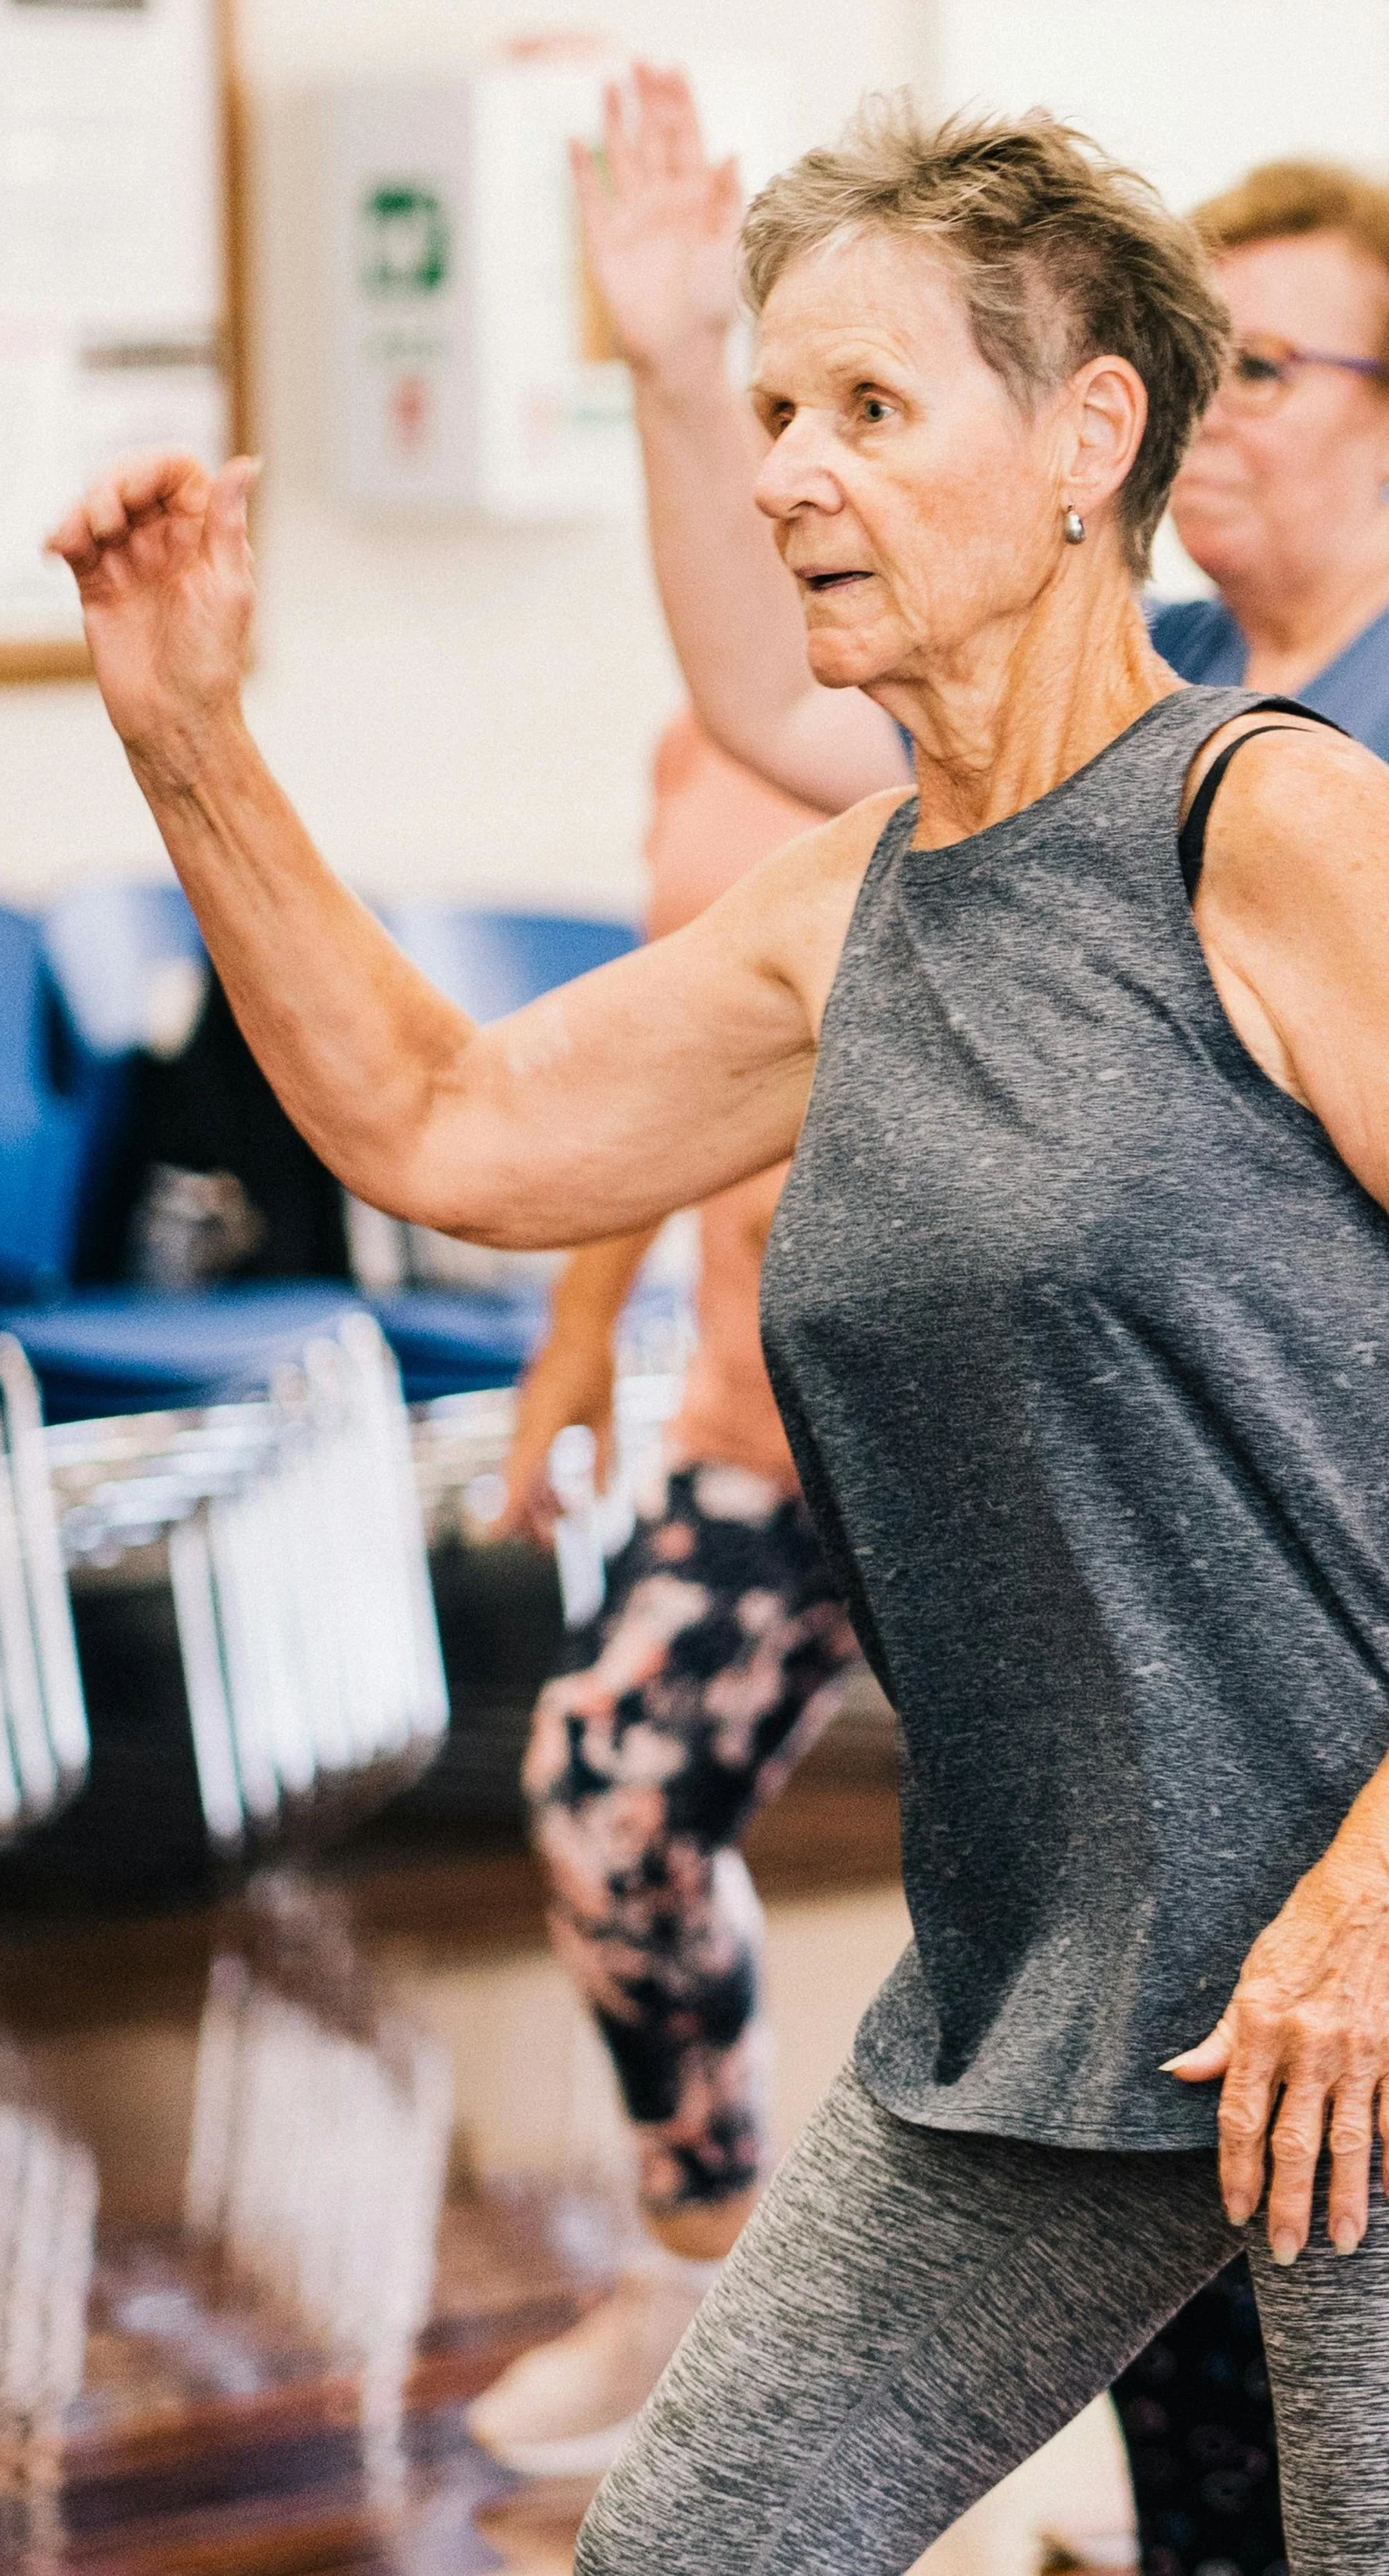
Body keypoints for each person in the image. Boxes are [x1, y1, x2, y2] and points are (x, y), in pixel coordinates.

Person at [52, 101, 1389, 2576]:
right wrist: (190, 732)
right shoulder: (853, 903)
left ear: (1085, 438)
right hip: (1054, 1961)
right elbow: (450, 1116)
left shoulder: (1270, 828)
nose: (792, 473)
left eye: (865, 408)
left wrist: (1379, 1899)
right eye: (773, 416)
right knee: (693, 2544)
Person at [568, 77, 1389, 2576]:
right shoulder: (1151, 684)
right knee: (1210, 2319)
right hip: (1234, 1597)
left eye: (1283, 366)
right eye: (1217, 353)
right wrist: (660, 371)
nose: (1222, 405)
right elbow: (779, 711)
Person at [465, 713, 859, 2477]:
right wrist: (571, 1334)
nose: (784, 461)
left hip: (1001, 1430)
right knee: (607, 1788)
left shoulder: (1043, 679)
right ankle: (696, 2281)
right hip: (760, 1417)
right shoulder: (709, 735)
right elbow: (664, 1048)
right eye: (756, 412)